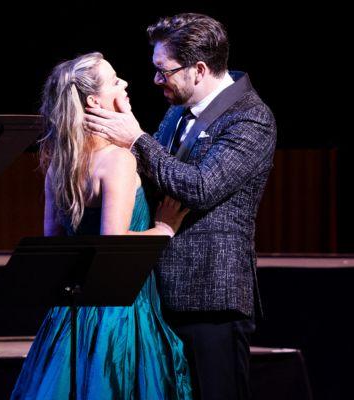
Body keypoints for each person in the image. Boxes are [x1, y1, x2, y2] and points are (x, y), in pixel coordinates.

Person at [84, 13, 277, 400]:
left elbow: (202, 187)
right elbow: (155, 173)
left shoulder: (251, 119)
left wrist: (136, 139)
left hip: (210, 299)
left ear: (199, 70)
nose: (156, 80)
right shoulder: (178, 109)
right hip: (161, 294)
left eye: (164, 70)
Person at [11, 52, 193, 399]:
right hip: (119, 314)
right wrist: (164, 230)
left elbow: (56, 244)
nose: (125, 83)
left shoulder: (60, 165)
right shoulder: (117, 161)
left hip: (72, 315)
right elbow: (115, 247)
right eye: (114, 80)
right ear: (94, 101)